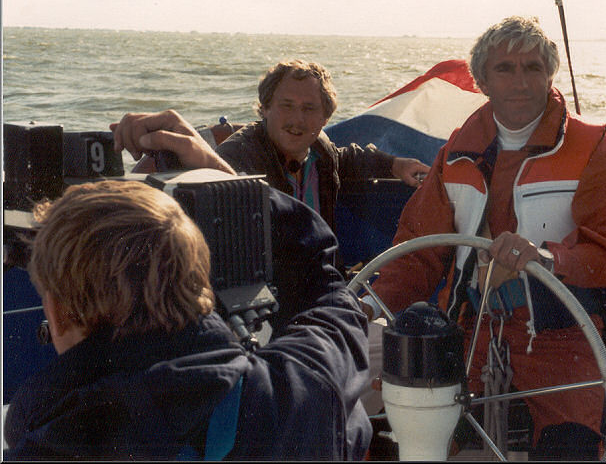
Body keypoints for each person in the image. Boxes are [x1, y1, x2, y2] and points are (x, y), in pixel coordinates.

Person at [363, 16, 606, 459]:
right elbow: (418, 253)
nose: (520, 81)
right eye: (505, 69)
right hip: (470, 325)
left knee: (570, 447)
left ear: (549, 75)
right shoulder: (455, 153)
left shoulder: (595, 146)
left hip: (561, 333)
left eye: (532, 67)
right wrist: (367, 307)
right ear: (483, 81)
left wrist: (549, 258)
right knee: (408, 435)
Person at [3, 180, 372, 460]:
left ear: (58, 314)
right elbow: (330, 300)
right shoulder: (299, 391)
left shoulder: (40, 441)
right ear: (199, 282)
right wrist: (235, 187)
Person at [110, 59, 429, 234]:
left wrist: (396, 165)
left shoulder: (321, 150)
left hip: (319, 276)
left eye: (309, 109)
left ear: (325, 117)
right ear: (264, 109)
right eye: (286, 106)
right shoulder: (238, 156)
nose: (297, 120)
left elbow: (349, 158)